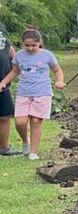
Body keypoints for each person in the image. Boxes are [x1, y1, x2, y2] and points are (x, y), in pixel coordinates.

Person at [0, 29, 65, 160]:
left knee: (36, 121)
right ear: (23, 44)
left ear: (39, 43)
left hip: (42, 93)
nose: (30, 48)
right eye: (27, 45)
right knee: (20, 123)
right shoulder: (19, 55)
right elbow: (14, 71)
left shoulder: (47, 55)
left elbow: (57, 70)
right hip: (24, 93)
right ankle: (25, 141)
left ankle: (33, 152)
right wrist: (3, 82)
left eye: (33, 45)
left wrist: (59, 81)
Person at [0, 22, 18, 156]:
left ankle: (4, 147)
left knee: (4, 116)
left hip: (3, 80)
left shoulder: (1, 25)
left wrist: (17, 61)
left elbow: (8, 45)